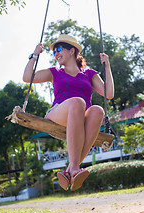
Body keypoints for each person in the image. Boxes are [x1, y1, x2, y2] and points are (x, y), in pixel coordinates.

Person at [23, 34, 114, 191]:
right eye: (54, 51)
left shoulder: (89, 74)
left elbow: (109, 93)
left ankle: (72, 169)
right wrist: (35, 55)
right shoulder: (55, 72)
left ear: (72, 51)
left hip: (81, 118)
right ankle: (73, 167)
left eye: (59, 49)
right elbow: (27, 78)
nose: (56, 53)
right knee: (78, 101)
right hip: (58, 113)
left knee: (98, 110)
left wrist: (107, 67)